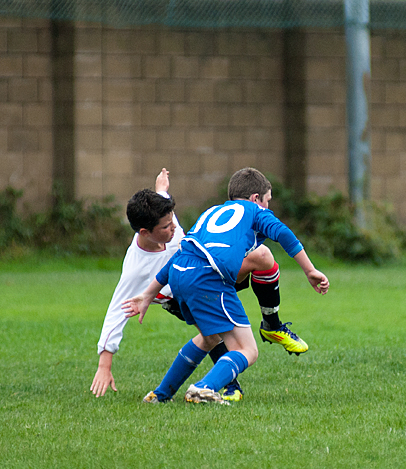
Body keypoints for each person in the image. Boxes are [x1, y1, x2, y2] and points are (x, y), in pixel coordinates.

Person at [90, 168, 308, 403]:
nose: (173, 229)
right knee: (241, 347)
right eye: (166, 227)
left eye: (172, 221)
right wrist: (105, 364)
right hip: (193, 289)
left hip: (199, 272)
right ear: (146, 232)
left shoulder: (163, 221)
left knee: (261, 257)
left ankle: (161, 394)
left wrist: (161, 190)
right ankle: (211, 386)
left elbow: (165, 221)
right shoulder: (136, 268)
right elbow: (115, 313)